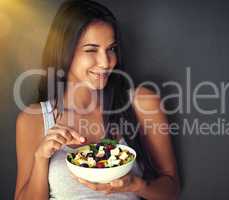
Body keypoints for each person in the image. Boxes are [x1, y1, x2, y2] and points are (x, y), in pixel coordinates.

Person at [14, 0, 180, 199]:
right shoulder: (33, 119)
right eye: (91, 50)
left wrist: (137, 185)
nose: (105, 62)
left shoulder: (142, 103)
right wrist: (41, 158)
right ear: (64, 51)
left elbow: (171, 189)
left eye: (111, 49)